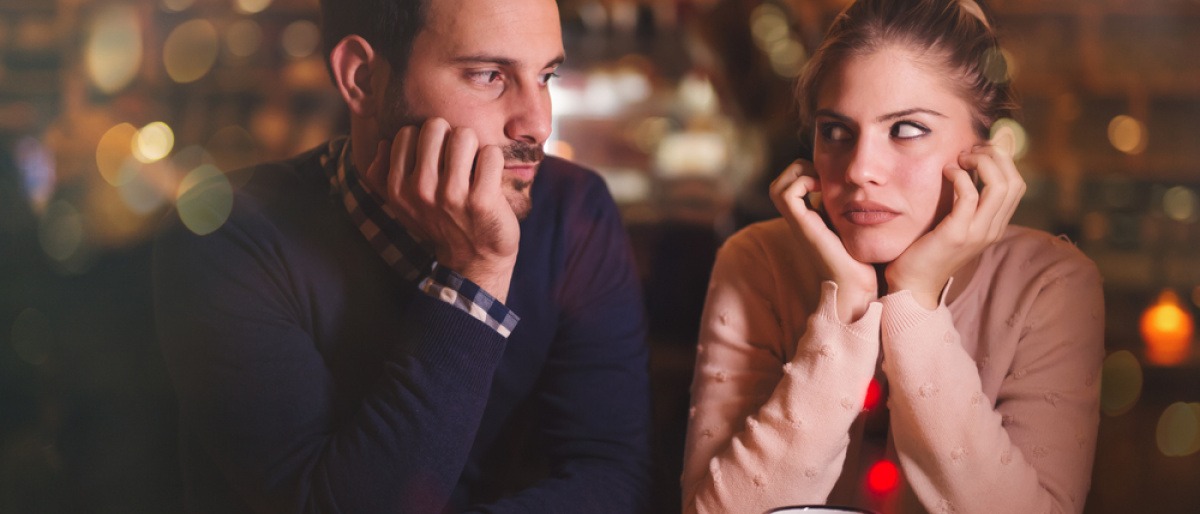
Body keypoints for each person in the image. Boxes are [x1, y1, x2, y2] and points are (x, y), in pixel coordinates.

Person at [152, 0, 652, 512]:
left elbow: (610, 477)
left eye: (546, 75)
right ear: (363, 79)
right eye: (488, 76)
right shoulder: (228, 240)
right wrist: (475, 277)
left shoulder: (574, 210)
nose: (537, 124)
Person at [681, 1, 1104, 513]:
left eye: (906, 130)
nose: (860, 169)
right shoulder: (755, 262)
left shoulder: (1050, 285)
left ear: (984, 149)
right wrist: (846, 310)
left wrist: (916, 303)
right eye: (836, 131)